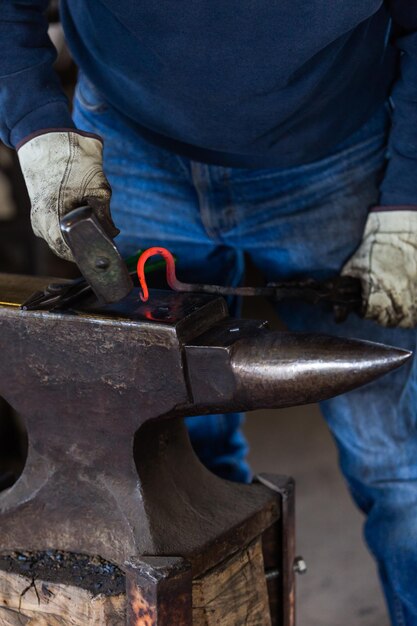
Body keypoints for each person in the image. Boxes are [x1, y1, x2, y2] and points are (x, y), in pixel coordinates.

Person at [1, 2, 417, 623]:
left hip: (333, 156)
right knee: (170, 466)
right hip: (126, 146)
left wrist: (409, 198)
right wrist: (36, 124)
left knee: (395, 464)